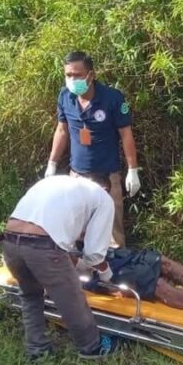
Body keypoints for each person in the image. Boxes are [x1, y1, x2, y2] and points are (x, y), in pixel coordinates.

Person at [2, 174, 117, 359]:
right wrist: (106, 274)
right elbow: (95, 254)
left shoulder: (55, 182)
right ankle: (92, 347)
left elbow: (57, 238)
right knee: (71, 298)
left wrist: (79, 264)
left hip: (9, 241)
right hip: (42, 246)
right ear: (105, 188)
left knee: (31, 295)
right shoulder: (103, 197)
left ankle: (37, 350)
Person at [45, 51, 140, 247]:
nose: (72, 79)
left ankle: (115, 273)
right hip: (77, 176)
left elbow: (126, 134)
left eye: (77, 75)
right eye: (68, 75)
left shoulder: (112, 98)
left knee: (112, 232)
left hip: (107, 177)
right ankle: (82, 275)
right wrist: (52, 164)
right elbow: (62, 131)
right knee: (76, 232)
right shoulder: (65, 97)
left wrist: (133, 170)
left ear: (91, 75)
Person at [87, 247, 183, 317]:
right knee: (153, 281)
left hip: (112, 257)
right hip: (95, 272)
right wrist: (104, 275)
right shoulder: (65, 232)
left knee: (162, 262)